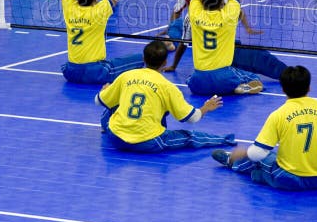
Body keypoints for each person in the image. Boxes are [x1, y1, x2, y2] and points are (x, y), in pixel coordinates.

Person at [210, 65, 317, 190]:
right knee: (270, 158)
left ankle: (232, 162)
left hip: (288, 179)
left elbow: (257, 153)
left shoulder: (278, 115)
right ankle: (261, 176)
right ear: (309, 87)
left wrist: (243, 152)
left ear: (283, 89)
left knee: (264, 158)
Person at [96, 40, 236, 153]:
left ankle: (104, 127)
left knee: (112, 101)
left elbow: (98, 100)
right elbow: (192, 118)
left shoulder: (126, 76)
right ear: (164, 63)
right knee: (188, 137)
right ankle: (225, 139)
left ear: (143, 58)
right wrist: (206, 108)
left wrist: (106, 91)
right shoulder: (168, 87)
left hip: (116, 138)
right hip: (148, 142)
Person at [162, 0, 287, 79]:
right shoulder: (223, 12)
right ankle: (287, 75)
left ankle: (167, 41)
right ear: (221, 2)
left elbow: (183, 41)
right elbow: (236, 4)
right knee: (258, 60)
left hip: (205, 63)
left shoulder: (192, 16)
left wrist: (174, 65)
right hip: (226, 54)